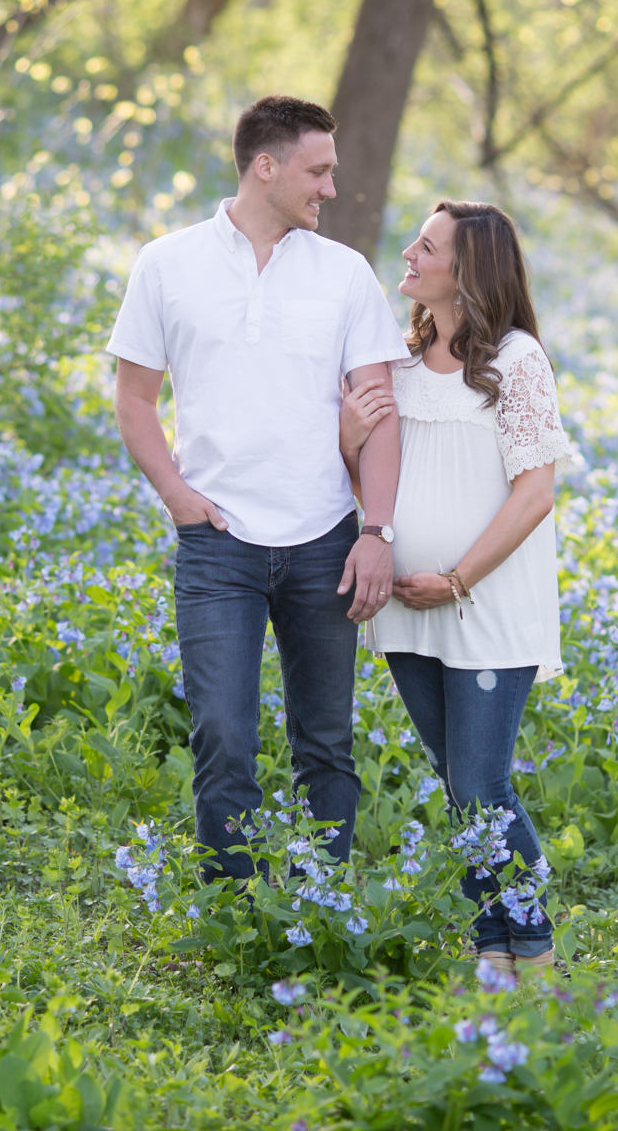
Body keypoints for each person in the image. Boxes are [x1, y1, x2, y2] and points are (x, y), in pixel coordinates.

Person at [107, 95, 409, 879]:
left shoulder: (344, 275)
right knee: (223, 740)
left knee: (325, 745)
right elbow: (134, 397)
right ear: (264, 167)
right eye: (318, 171)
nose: (331, 189)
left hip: (324, 544)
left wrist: (376, 531)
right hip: (218, 546)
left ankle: (321, 909)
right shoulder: (165, 262)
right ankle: (233, 919)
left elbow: (380, 415)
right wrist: (177, 495)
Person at [339, 200, 574, 982]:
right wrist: (347, 442)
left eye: (427, 245)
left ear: (467, 269)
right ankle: (492, 949)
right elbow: (369, 479)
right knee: (456, 780)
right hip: (410, 607)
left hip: (483, 605)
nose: (408, 251)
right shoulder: (397, 362)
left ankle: (533, 950)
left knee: (481, 781)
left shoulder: (516, 360)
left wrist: (458, 578)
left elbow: (534, 493)